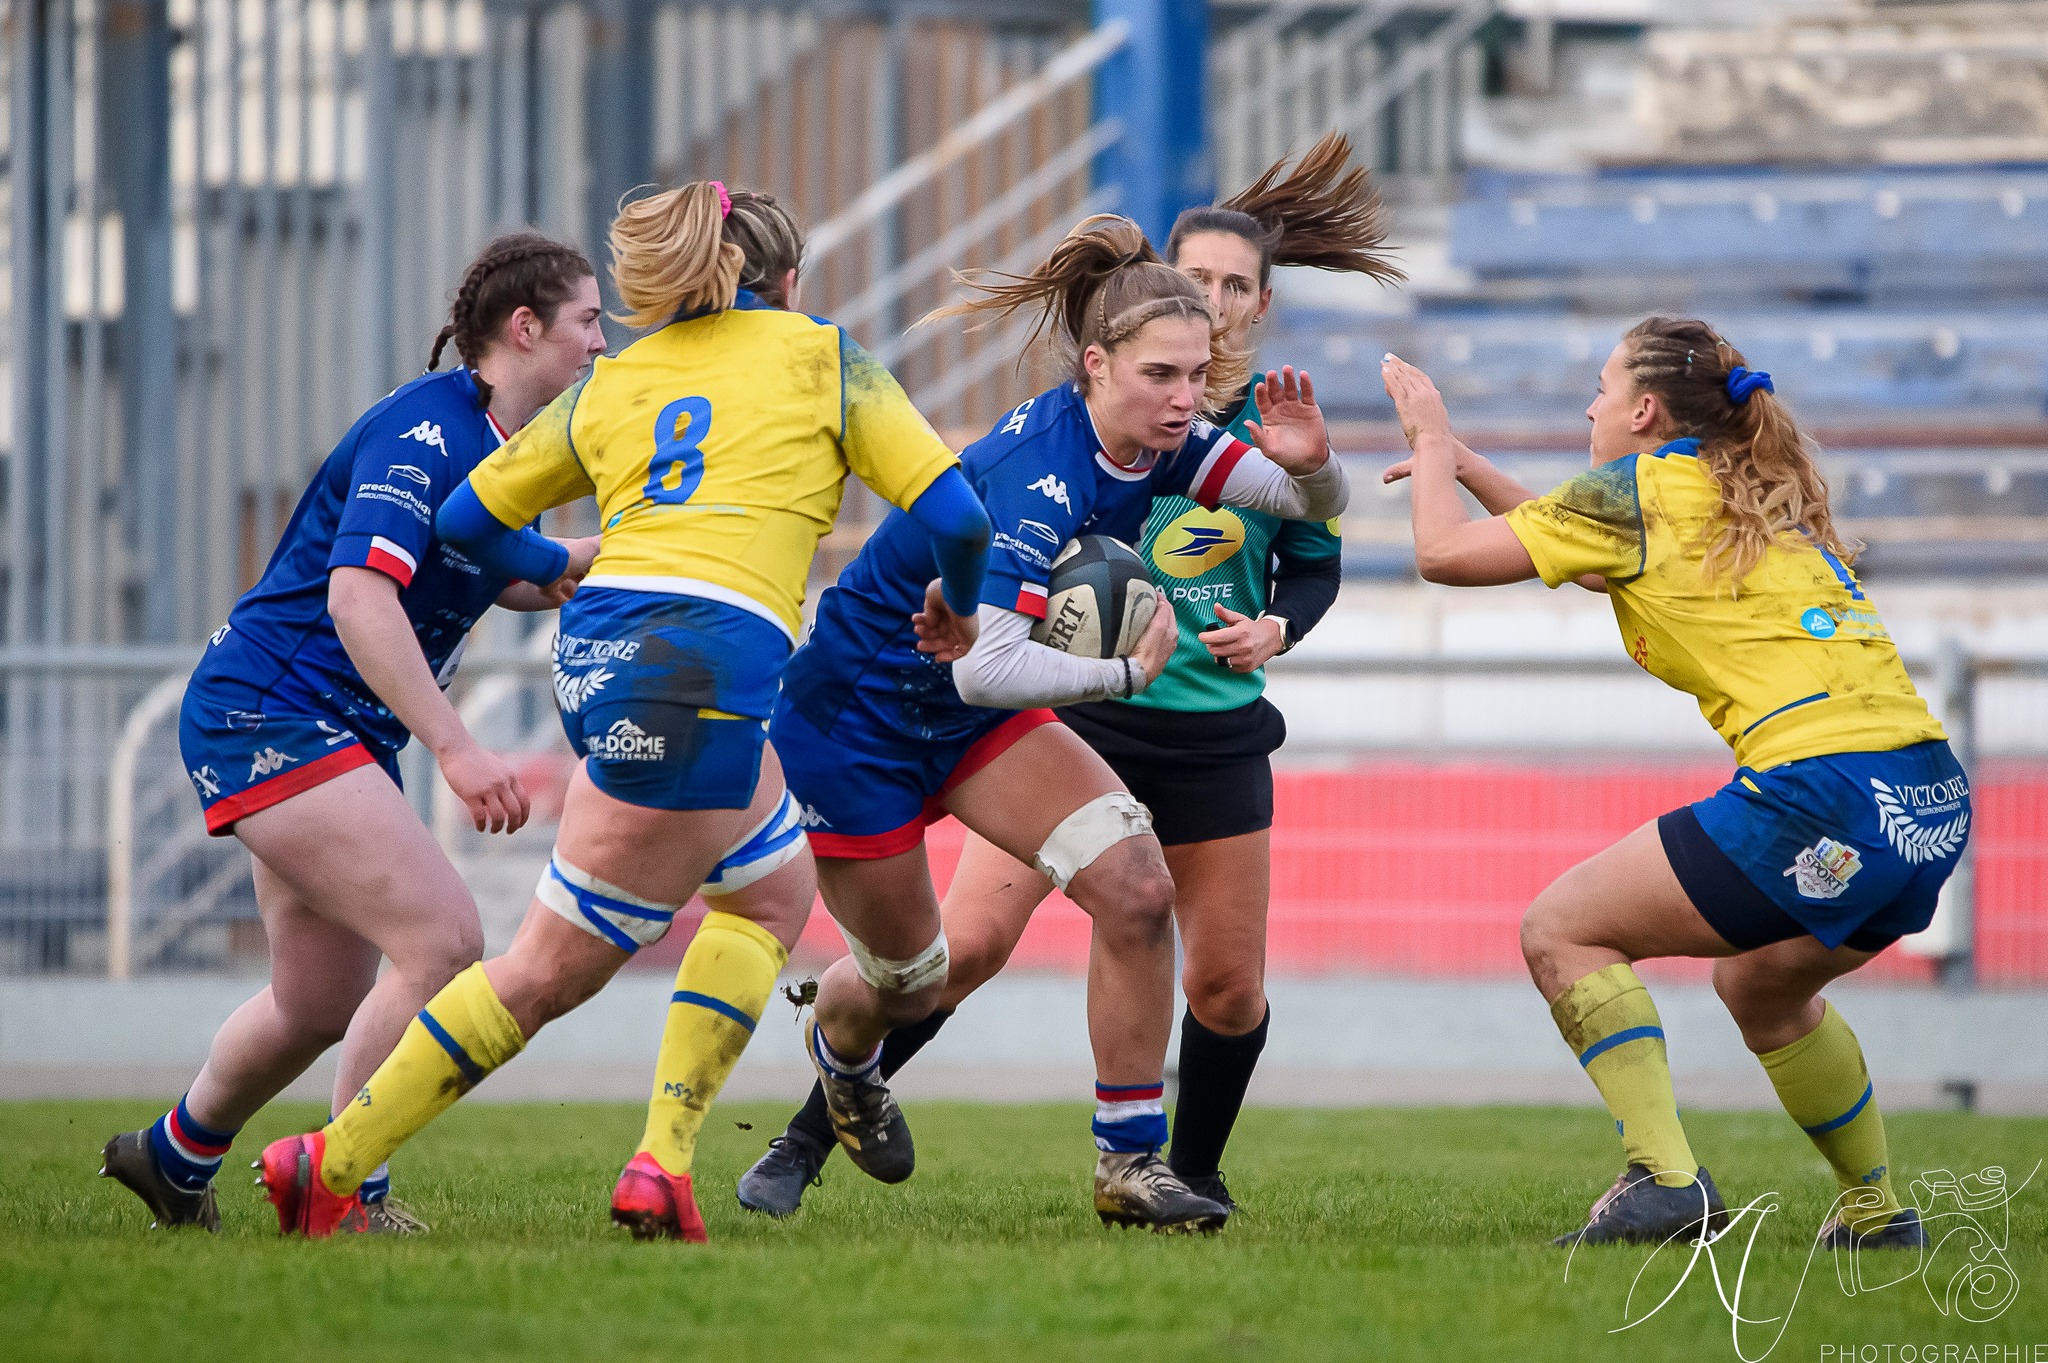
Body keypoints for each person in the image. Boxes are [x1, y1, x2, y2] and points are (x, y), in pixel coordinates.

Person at [252, 180, 992, 1241]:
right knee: (550, 967)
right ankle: (330, 1161)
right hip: (700, 662)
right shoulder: (821, 357)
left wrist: (546, 560)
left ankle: (664, 1159)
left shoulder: (619, 377)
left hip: (603, 653)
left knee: (771, 890)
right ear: (784, 284)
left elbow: (464, 518)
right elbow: (958, 516)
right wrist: (955, 612)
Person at [739, 134, 1398, 1222]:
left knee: (1134, 890)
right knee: (913, 977)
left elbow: (1304, 510)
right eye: (1161, 375)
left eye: (1195, 374)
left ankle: (1129, 1166)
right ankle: (835, 1061)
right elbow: (985, 669)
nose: (1187, 396)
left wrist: (1311, 458)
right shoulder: (1036, 478)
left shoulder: (1160, 442)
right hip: (856, 717)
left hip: (971, 715)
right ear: (1094, 367)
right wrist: (1120, 670)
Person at [1378, 317, 1966, 1249]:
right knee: (1763, 990)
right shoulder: (1746, 495)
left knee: (1561, 930)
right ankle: (1879, 1215)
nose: (1589, 404)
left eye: (1602, 387)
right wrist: (1469, 467)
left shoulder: (1641, 491)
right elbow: (1582, 549)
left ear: (1644, 409)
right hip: (1929, 801)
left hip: (1820, 792)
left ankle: (1667, 1178)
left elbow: (1444, 556)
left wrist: (1433, 440)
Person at [100, 233, 608, 1234]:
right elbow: (359, 598)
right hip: (272, 713)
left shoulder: (504, 447)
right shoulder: (426, 435)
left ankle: (171, 1156)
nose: (601, 341)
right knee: (443, 938)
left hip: (309, 725)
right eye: (588, 320)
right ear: (525, 328)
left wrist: (616, 553)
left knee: (318, 1000)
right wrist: (458, 749)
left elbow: (503, 570)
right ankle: (342, 1190)